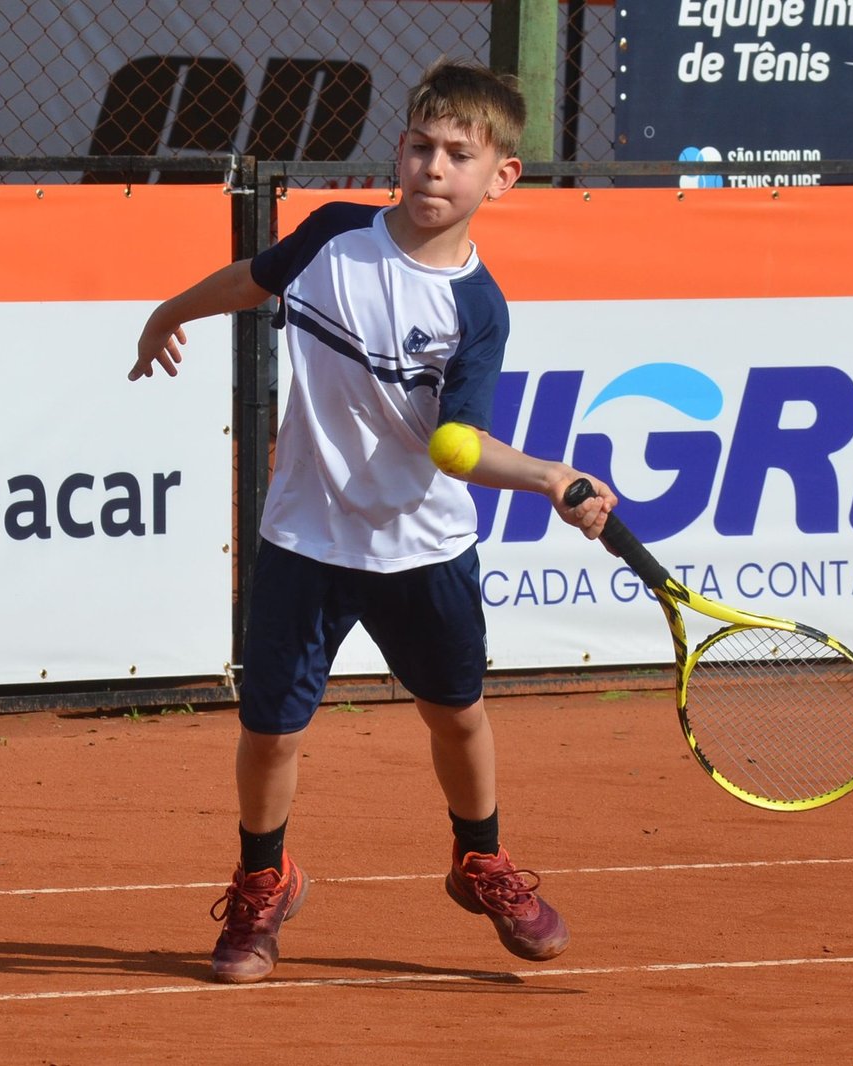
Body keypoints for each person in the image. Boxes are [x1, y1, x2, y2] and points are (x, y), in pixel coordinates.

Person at [129, 58, 616, 984]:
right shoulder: (334, 238)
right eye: (421, 146)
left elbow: (456, 446)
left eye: (459, 155)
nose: (435, 167)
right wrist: (168, 310)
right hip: (305, 538)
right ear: (397, 149)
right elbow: (253, 280)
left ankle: (481, 860)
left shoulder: (479, 309)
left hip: (423, 545)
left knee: (458, 717)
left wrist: (552, 476)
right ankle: (265, 883)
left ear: (499, 177)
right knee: (271, 731)